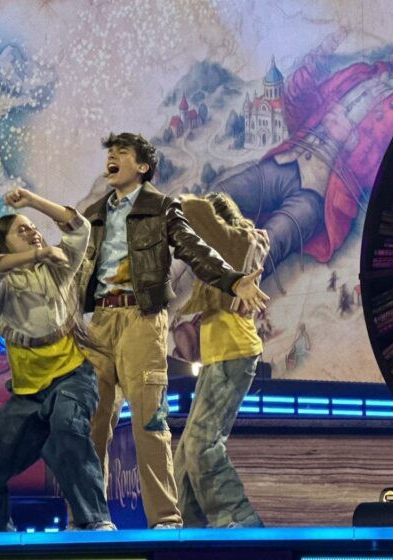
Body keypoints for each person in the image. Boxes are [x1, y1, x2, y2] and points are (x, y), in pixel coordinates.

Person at [76, 132, 268, 529]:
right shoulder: (95, 213)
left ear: (143, 166)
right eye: (110, 152)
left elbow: (195, 251)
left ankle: (166, 519)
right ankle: (89, 518)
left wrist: (233, 282)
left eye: (122, 152)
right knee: (93, 420)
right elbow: (80, 266)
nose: (112, 157)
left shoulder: (162, 209)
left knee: (149, 419)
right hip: (101, 321)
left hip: (141, 316)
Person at [216, 0, 393, 273]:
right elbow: (298, 110)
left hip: (319, 198)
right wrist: (316, 60)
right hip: (283, 163)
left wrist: (350, 140)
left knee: (262, 249)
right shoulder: (360, 72)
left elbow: (391, 179)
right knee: (213, 202)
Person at [0, 187, 115, 532]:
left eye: (34, 228)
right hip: (28, 394)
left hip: (73, 376)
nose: (33, 232)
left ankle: (95, 521)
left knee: (67, 426)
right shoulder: (2, 285)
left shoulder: (58, 268)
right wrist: (37, 254)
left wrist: (32, 200)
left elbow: (79, 227)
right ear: (4, 245)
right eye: (22, 230)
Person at [174, 192, 269, 528]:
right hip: (222, 354)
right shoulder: (230, 251)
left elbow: (193, 210)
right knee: (186, 453)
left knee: (202, 443)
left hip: (234, 351)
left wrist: (176, 202)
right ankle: (189, 528)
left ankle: (240, 521)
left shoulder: (237, 243)